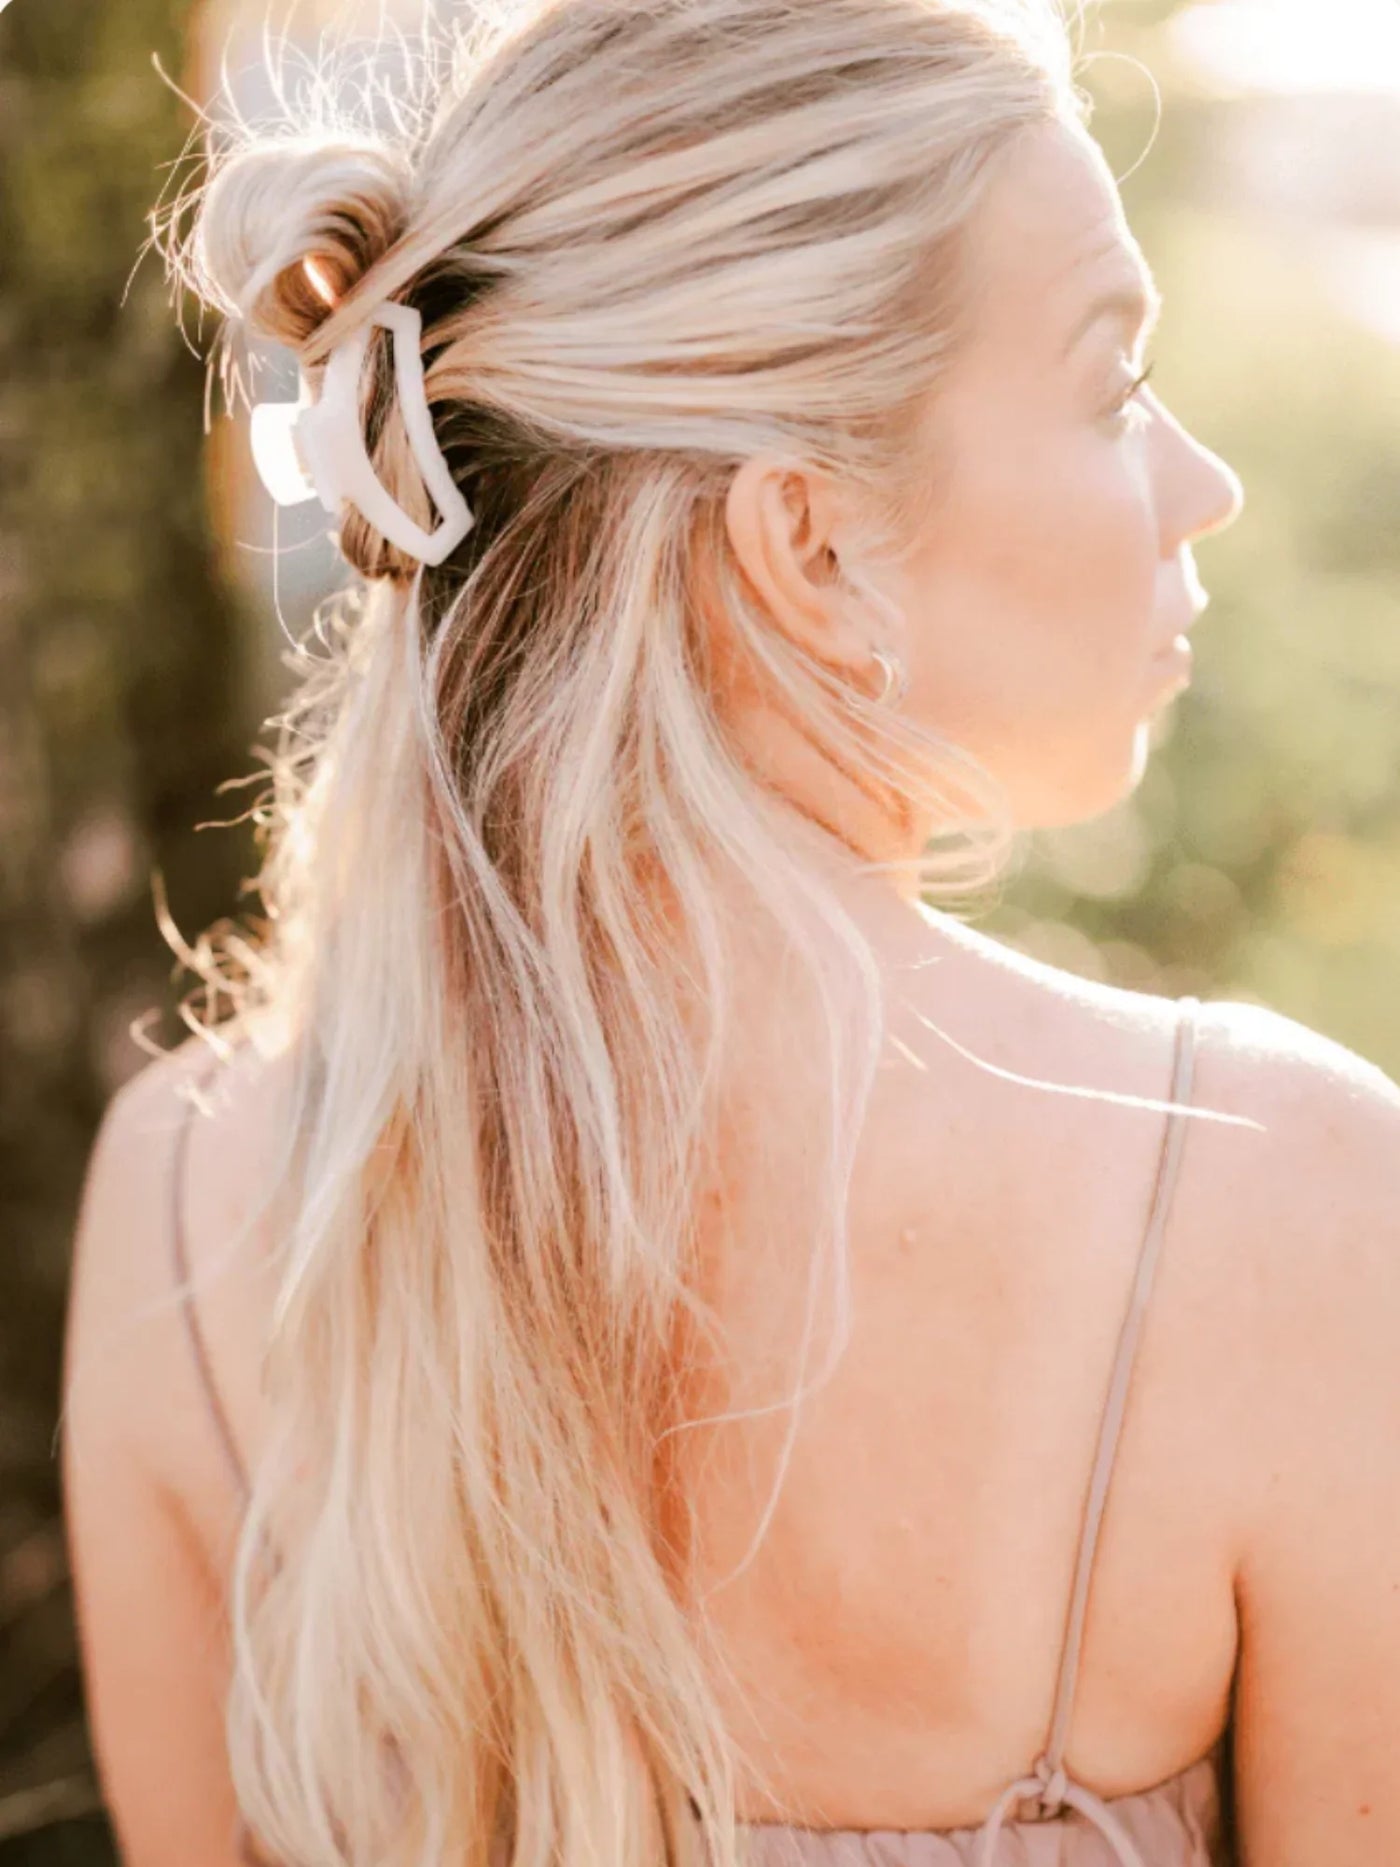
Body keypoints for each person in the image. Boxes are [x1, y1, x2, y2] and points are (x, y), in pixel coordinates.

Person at [59, 0, 1400, 1862]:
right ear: (808, 546)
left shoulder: (179, 1205)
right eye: (1109, 386)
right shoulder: (1295, 1208)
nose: (1205, 485)